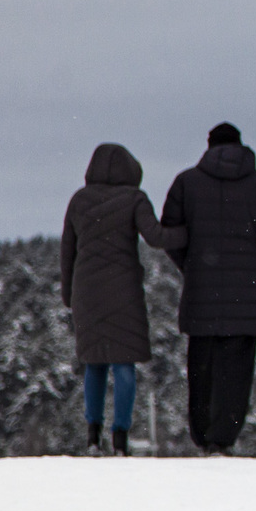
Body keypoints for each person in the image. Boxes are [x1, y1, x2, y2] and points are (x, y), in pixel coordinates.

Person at [160, 123, 256, 454]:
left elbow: (169, 233)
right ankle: (224, 438)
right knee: (237, 372)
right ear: (240, 145)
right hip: (245, 294)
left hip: (202, 291)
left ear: (209, 146)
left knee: (202, 368)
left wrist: (191, 265)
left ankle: (202, 436)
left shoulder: (186, 182)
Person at [61, 143, 187, 455]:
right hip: (123, 289)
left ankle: (93, 435)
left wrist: (69, 294)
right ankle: (120, 438)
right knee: (123, 363)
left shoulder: (79, 200)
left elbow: (68, 251)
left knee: (94, 364)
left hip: (86, 291)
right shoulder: (134, 198)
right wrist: (189, 233)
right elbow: (156, 237)